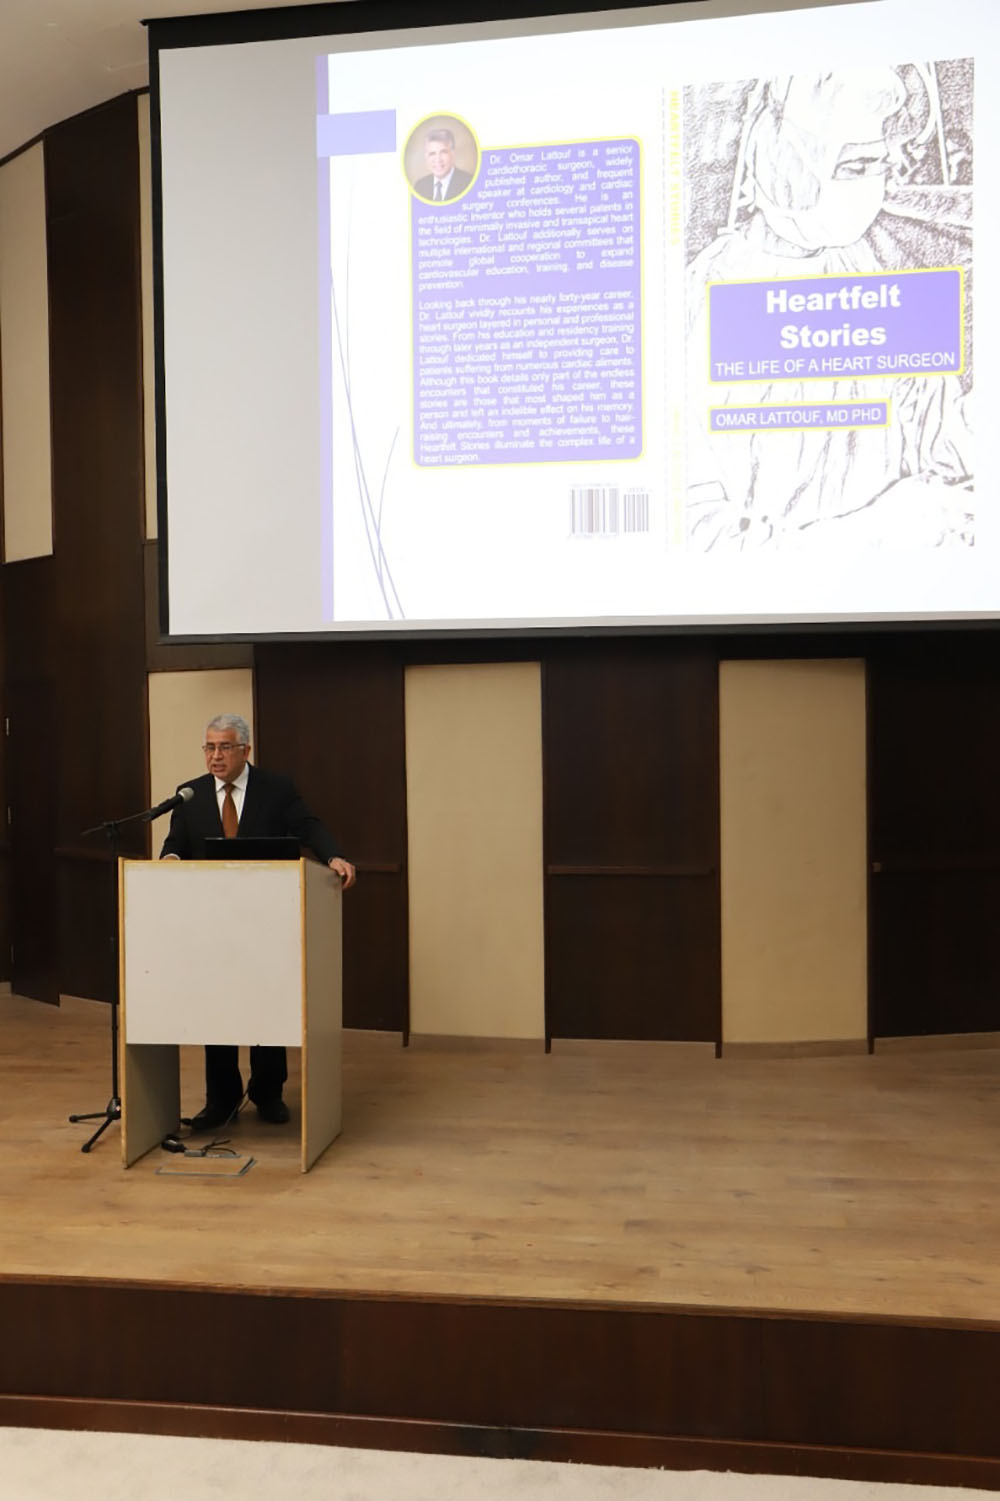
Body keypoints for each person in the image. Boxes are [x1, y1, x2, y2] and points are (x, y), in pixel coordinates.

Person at [684, 67, 972, 551]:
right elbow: (700, 538)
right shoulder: (701, 302)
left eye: (881, 165)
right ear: (787, 163)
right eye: (855, 167)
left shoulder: (870, 270)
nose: (874, 187)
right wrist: (876, 532)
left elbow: (939, 438)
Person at [160, 714, 356, 1132]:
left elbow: (309, 827)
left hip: (267, 922)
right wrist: (170, 861)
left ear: (245, 750)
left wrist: (333, 855)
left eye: (224, 747)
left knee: (267, 1007)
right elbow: (175, 845)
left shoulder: (276, 789)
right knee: (218, 1011)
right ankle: (221, 1099)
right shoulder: (190, 795)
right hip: (211, 924)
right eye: (209, 747)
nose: (215, 756)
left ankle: (268, 1093)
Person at [413, 127, 473, 202]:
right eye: (432, 153)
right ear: (426, 157)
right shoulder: (420, 187)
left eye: (443, 152)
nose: (438, 159)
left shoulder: (469, 183)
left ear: (452, 154)